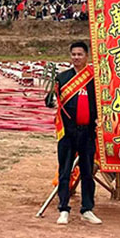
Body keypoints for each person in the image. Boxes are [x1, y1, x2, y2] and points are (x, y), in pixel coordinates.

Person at [47, 41, 100, 225]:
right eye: (73, 54)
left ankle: (87, 209)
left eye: (80, 54)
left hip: (87, 132)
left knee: (87, 172)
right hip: (67, 133)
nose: (76, 58)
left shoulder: (95, 78)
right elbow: (49, 100)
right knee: (65, 172)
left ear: (87, 56)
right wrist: (52, 100)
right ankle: (63, 208)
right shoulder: (62, 78)